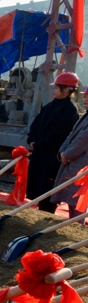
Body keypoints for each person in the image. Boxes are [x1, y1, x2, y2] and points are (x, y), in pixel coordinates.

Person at [27, 72, 80, 212]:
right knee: (36, 186)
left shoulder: (70, 110)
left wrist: (39, 144)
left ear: (67, 90)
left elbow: (58, 134)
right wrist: (31, 139)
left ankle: (47, 212)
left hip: (52, 157)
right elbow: (36, 125)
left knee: (47, 189)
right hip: (40, 153)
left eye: (57, 87)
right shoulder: (49, 106)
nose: (54, 90)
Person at [50, 75, 88, 217]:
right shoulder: (85, 116)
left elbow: (83, 140)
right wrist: (62, 151)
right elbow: (71, 135)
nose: (85, 99)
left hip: (81, 164)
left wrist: (67, 154)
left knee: (78, 202)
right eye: (85, 97)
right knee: (71, 200)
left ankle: (76, 226)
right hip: (73, 162)